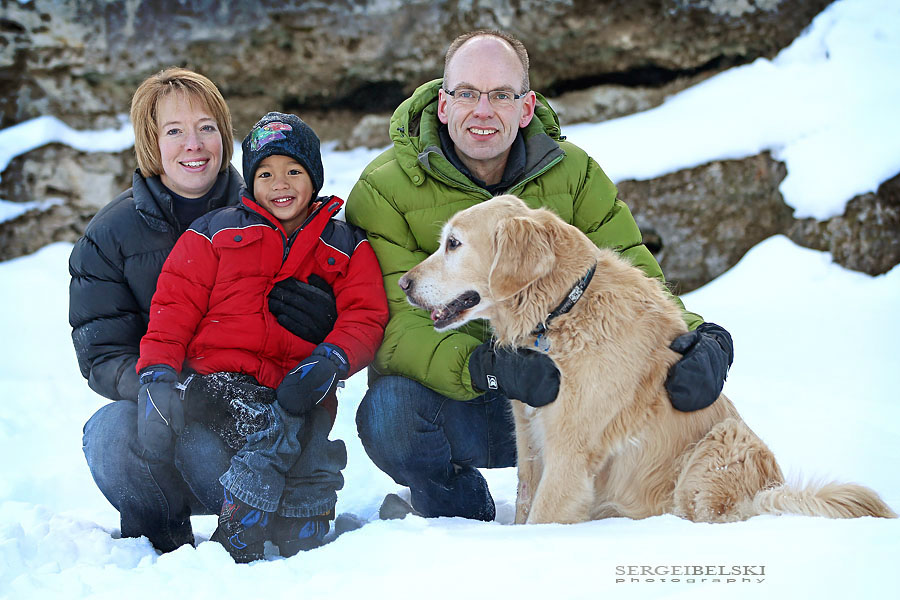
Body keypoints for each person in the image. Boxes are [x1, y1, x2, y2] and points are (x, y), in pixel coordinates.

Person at [345, 30, 735, 521]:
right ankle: (455, 516)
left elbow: (634, 277)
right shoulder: (384, 188)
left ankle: (608, 504)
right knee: (390, 414)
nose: (482, 110)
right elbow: (395, 319)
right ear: (443, 105)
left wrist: (703, 337)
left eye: (501, 95)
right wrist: (485, 366)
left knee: (615, 416)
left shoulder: (572, 173)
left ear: (526, 108)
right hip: (469, 396)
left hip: (570, 397)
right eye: (466, 93)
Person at [70, 69, 342, 553]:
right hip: (162, 414)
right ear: (152, 142)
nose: (193, 145)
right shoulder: (110, 236)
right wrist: (166, 385)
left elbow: (355, 311)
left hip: (251, 417)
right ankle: (164, 533)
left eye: (206, 127)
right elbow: (102, 351)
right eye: (174, 131)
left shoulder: (280, 212)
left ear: (224, 134)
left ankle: (260, 523)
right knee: (108, 433)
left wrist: (326, 326)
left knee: (208, 447)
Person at [135, 111, 388, 561]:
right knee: (271, 425)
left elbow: (366, 315)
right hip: (220, 381)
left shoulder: (346, 245)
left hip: (300, 380)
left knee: (313, 436)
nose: (281, 184)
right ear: (251, 182)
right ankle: (242, 518)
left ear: (314, 178)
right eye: (266, 173)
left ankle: (304, 517)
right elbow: (173, 309)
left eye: (294, 171)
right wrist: (157, 373)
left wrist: (331, 359)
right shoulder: (214, 233)